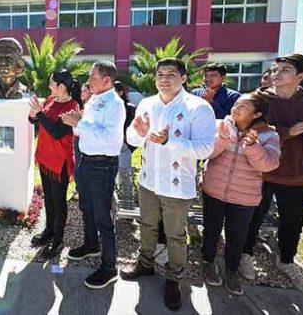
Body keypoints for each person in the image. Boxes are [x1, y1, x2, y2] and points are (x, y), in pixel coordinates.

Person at [123, 58, 216, 311]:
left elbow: (205, 148)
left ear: (183, 78)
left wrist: (169, 142)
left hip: (177, 184)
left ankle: (174, 277)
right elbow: (132, 137)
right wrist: (139, 132)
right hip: (149, 180)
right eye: (160, 74)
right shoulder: (147, 103)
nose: (164, 79)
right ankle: (145, 263)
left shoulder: (198, 107)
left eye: (171, 74)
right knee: (147, 225)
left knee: (175, 235)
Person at [240, 54, 303, 295]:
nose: (276, 73)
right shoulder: (259, 99)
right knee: (252, 217)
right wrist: (288, 132)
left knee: (292, 222)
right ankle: (245, 254)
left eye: (284, 70)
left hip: (296, 173)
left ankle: (286, 260)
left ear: (300, 76)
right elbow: (246, 127)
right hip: (260, 172)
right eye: (275, 69)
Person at [201, 93, 280, 295]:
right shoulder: (221, 125)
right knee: (211, 229)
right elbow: (207, 154)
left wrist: (252, 146)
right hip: (214, 189)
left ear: (257, 114)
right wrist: (221, 139)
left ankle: (231, 269)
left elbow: (269, 165)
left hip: (245, 196)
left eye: (243, 106)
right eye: (236, 104)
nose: (236, 108)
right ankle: (208, 261)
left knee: (237, 235)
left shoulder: (269, 135)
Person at [60, 62, 125, 290]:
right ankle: (91, 244)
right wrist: (74, 123)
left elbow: (110, 138)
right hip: (86, 161)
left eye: (93, 77)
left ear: (107, 80)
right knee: (86, 208)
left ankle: (109, 267)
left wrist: (81, 122)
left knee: (103, 217)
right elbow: (83, 131)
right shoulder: (94, 99)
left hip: (102, 165)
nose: (89, 81)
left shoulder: (115, 104)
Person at [29, 70, 81, 259]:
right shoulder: (51, 100)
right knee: (49, 199)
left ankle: (58, 239)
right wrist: (33, 115)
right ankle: (49, 230)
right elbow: (37, 121)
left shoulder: (72, 106)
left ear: (62, 86)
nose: (49, 85)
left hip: (59, 161)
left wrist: (40, 114)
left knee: (59, 202)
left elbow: (58, 132)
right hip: (45, 158)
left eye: (52, 83)